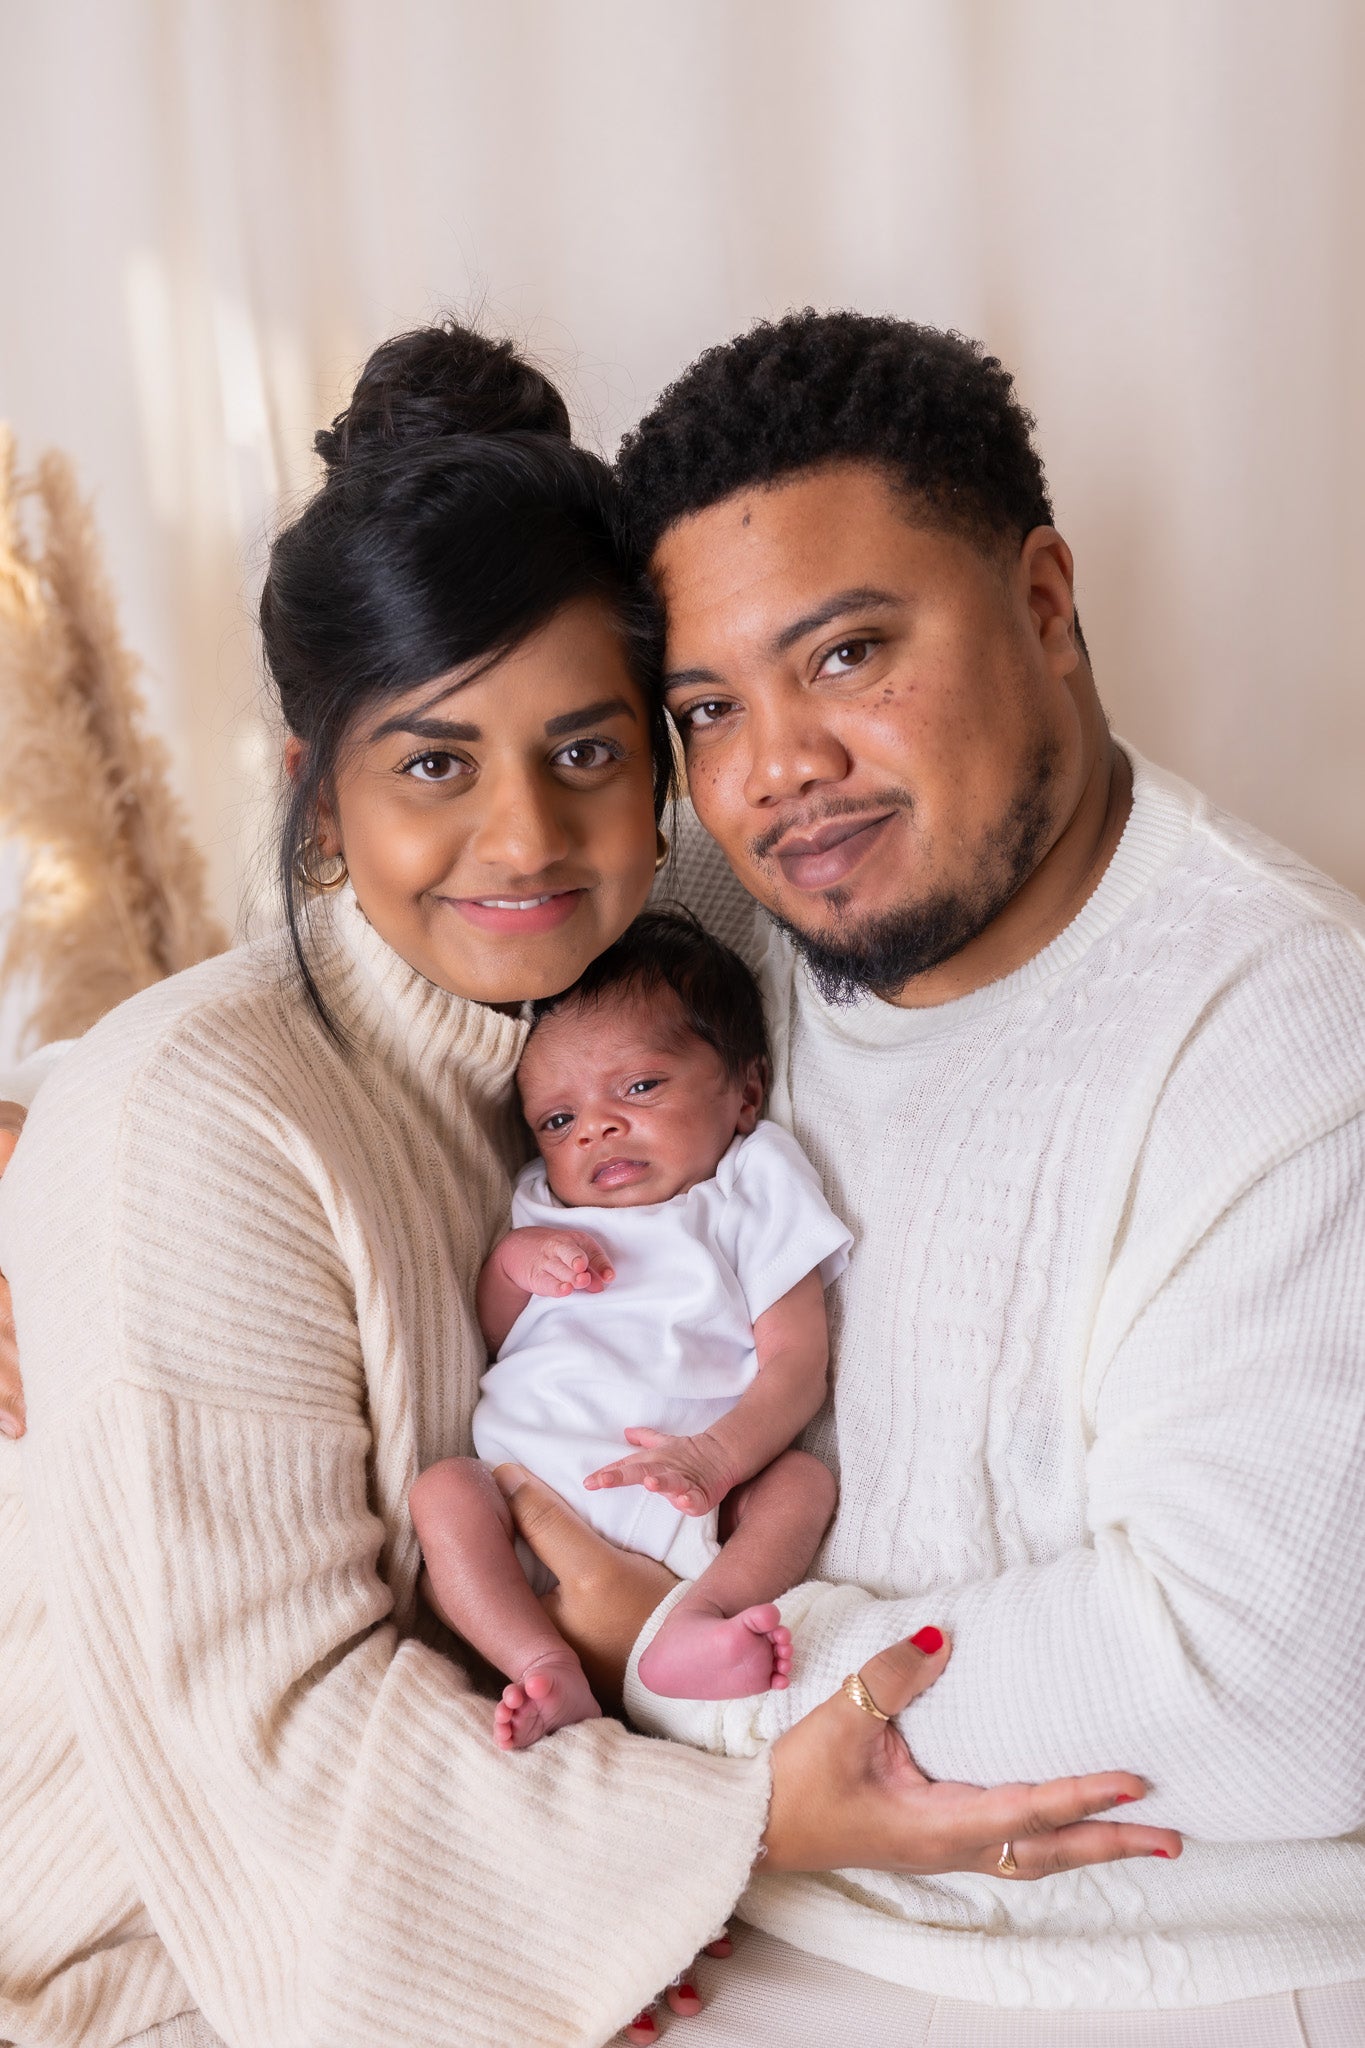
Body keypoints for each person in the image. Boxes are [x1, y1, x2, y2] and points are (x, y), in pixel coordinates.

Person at [0, 322, 1173, 2048]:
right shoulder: (200, 1109)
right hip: (164, 1937)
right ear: (315, 793)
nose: (529, 841)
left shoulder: (668, 941)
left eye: (588, 749)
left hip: (522, 1815)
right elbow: (270, 1750)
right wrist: (744, 1817)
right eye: (430, 764)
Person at [473, 311, 1365, 2044]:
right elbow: (365, 999)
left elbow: (1264, 1683)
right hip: (700, 1910)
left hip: (1151, 1969)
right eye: (711, 706)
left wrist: (675, 1659)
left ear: (1044, 601)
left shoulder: (1279, 1032)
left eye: (851, 653)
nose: (776, 768)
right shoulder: (731, 939)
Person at [413, 908, 851, 1749]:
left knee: (800, 1486)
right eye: (557, 1119)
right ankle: (543, 1663)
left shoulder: (748, 1184)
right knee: (442, 1493)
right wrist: (513, 1265)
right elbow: (497, 1333)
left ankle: (696, 1621)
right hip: (524, 1486)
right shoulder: (544, 1203)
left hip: (688, 1486)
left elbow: (797, 1364)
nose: (596, 1128)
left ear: (743, 1094)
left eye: (639, 1087)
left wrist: (717, 1459)